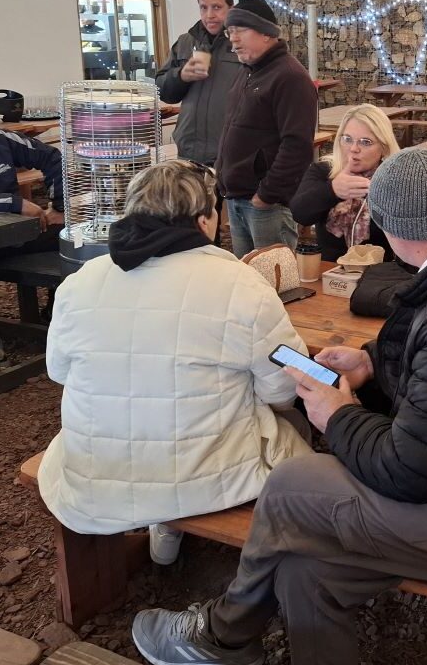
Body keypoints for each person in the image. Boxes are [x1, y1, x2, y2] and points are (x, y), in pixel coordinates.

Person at [130, 148, 427, 665]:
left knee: (291, 484)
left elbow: (410, 470)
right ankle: (242, 644)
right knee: (307, 571)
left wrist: (338, 413)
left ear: (388, 227)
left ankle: (223, 634)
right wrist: (370, 364)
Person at [37, 160, 313, 566]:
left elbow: (59, 372)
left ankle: (163, 531)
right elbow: (285, 387)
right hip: (213, 480)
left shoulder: (81, 281)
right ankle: (273, 563)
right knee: (292, 426)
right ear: (203, 221)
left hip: (97, 479)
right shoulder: (240, 283)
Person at [216, 0, 318, 258]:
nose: (233, 39)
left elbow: (297, 146)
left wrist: (266, 196)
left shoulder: (290, 77)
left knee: (275, 286)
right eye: (230, 31)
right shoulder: (248, 71)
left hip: (265, 206)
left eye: (240, 30)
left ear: (266, 33)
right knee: (248, 283)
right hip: (239, 199)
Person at [289, 104, 400, 262]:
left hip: (378, 274)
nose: (354, 148)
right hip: (329, 270)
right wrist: (332, 190)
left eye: (365, 142)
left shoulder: (394, 179)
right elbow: (300, 213)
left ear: (384, 146)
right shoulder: (324, 171)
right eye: (347, 139)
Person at [155, 0, 242, 167]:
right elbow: (162, 90)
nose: (209, 15)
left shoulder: (241, 43)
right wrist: (181, 76)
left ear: (231, 8)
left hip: (230, 152)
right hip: (188, 151)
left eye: (217, 7)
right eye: (203, 7)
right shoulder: (186, 42)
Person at [0, 119, 64, 253]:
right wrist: (17, 204)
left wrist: (59, 207)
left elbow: (51, 157)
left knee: (74, 235)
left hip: (18, 230)